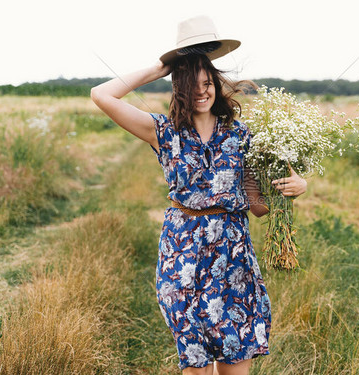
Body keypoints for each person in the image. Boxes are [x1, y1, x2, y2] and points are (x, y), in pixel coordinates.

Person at [91, 15, 307, 375]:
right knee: (195, 365)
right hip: (182, 259)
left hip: (233, 259)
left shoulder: (242, 137)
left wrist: (294, 189)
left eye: (207, 83)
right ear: (178, 87)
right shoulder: (162, 131)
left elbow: (258, 207)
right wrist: (160, 67)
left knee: (235, 361)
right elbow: (101, 94)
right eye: (191, 84)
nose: (201, 91)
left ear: (216, 84)